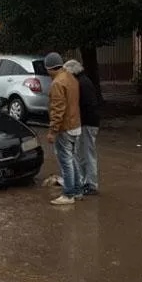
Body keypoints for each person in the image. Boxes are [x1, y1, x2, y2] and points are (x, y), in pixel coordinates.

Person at [44, 52, 82, 206]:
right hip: (75, 124)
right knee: (72, 159)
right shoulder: (71, 78)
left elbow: (58, 109)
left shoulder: (57, 83)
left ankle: (68, 194)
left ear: (50, 68)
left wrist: (53, 131)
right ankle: (77, 190)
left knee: (65, 161)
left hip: (64, 128)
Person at [64, 59, 100, 196]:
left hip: (86, 123)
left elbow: (79, 105)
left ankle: (90, 184)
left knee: (86, 154)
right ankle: (85, 182)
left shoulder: (79, 83)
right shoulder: (84, 81)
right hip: (89, 122)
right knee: (83, 153)